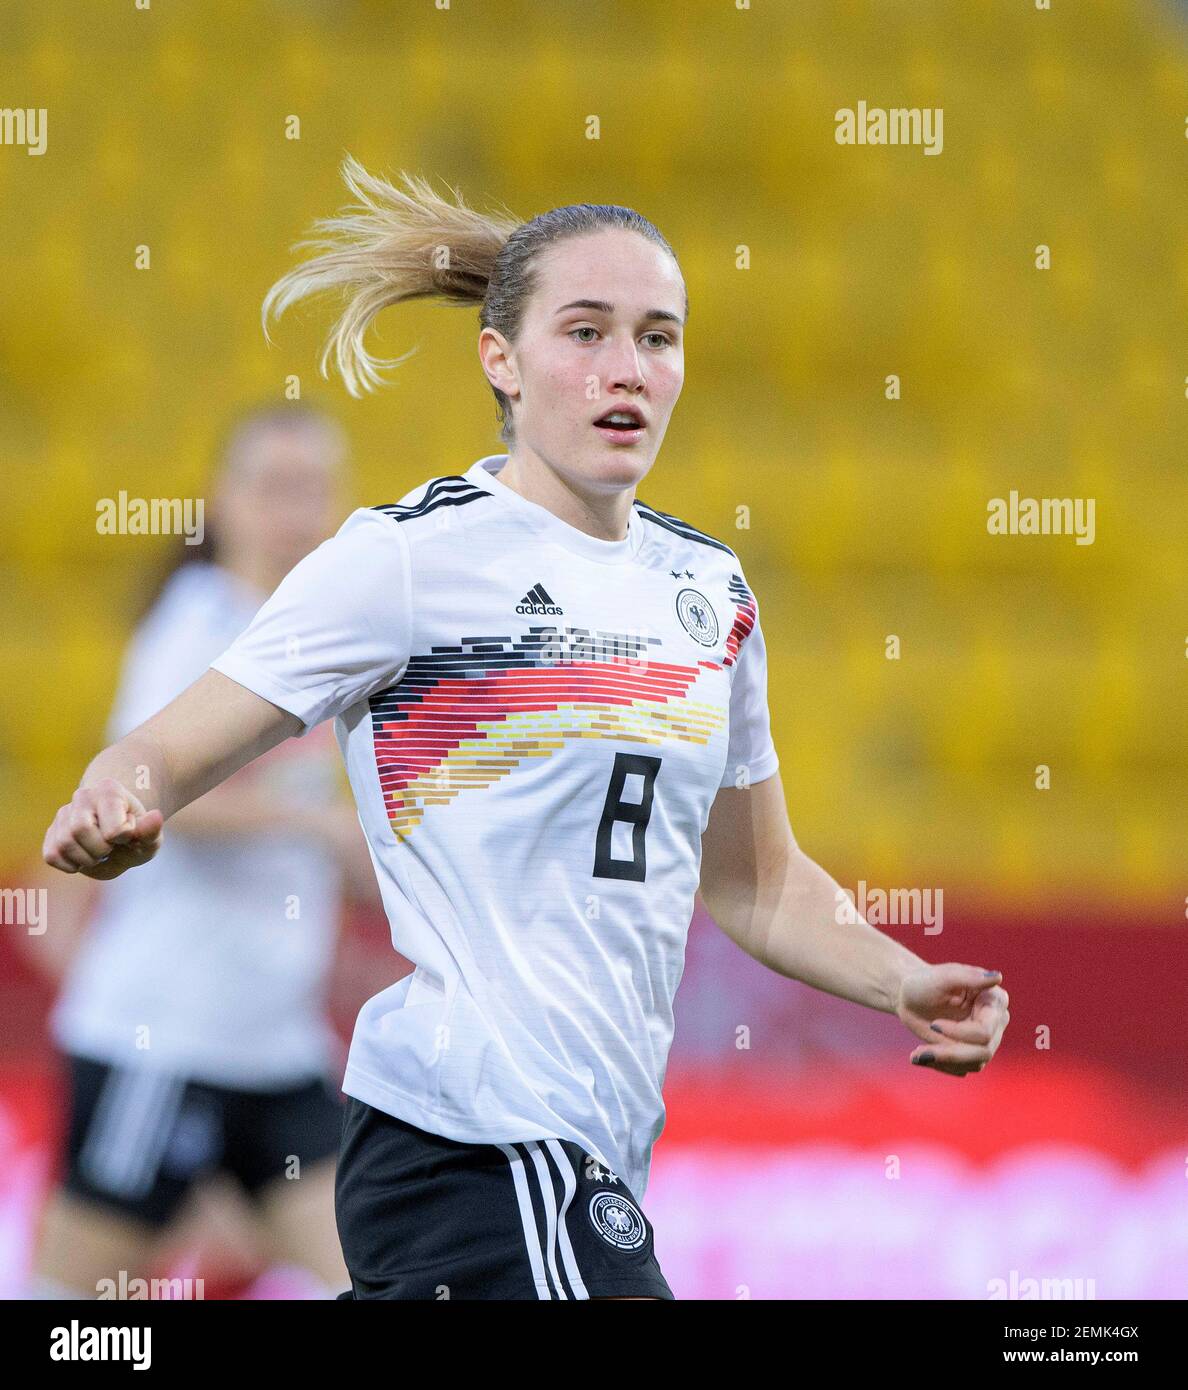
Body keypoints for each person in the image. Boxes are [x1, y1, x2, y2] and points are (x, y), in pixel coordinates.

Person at [42, 158, 1010, 1301]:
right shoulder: (407, 560)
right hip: (474, 1134)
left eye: (658, 336)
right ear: (500, 359)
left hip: (590, 1147)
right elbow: (160, 745)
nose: (627, 370)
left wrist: (898, 978)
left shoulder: (709, 591)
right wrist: (118, 796)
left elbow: (758, 881)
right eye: (586, 332)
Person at [32, 405, 380, 1299]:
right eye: (273, 489)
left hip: (272, 1044)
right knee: (75, 1301)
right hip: (163, 1037)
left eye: (313, 491)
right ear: (222, 502)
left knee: (373, 1274)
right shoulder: (198, 625)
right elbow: (150, 798)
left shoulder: (324, 644)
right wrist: (313, 828)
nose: (296, 514)